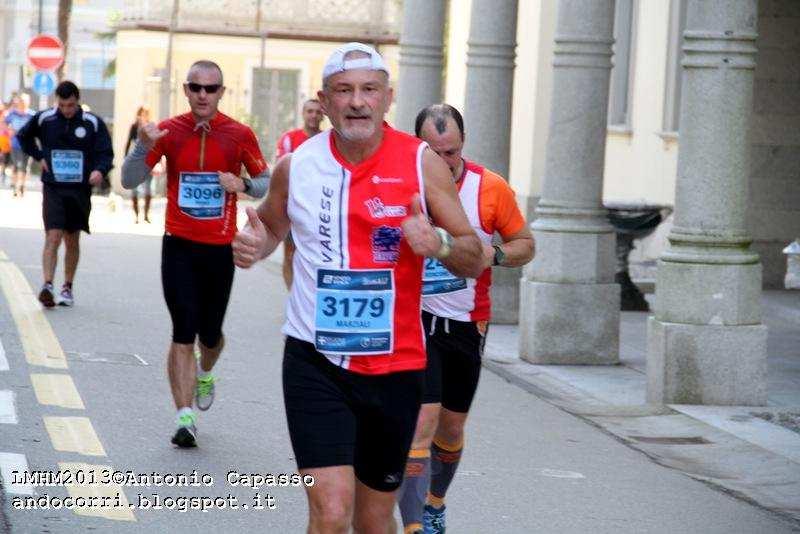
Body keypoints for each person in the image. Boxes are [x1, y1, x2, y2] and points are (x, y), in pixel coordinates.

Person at [233, 42, 484, 533]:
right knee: (329, 511)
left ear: (387, 98)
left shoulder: (422, 164)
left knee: (373, 521)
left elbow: (473, 257)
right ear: (324, 102)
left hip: (395, 365)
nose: (357, 102)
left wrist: (436, 244)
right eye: (343, 91)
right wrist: (252, 247)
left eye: (369, 90)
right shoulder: (296, 166)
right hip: (314, 360)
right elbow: (268, 230)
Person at [396, 104, 535, 534]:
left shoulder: (491, 189)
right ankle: (414, 525)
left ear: (464, 145)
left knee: (450, 430)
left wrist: (488, 254)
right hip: (414, 320)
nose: (444, 162)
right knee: (422, 421)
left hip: (466, 324)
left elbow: (525, 244)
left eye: (451, 152)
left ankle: (435, 503)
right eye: (433, 153)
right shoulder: (401, 181)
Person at [121, 60, 270, 448]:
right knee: (183, 329)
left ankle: (206, 372)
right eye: (195, 87)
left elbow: (266, 183)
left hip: (219, 250)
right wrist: (143, 145)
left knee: (211, 334)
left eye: (211, 88)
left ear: (222, 92)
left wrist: (243, 182)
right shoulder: (168, 131)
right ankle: (184, 417)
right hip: (179, 245)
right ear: (186, 90)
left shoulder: (239, 135)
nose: (203, 94)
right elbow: (128, 180)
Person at [15, 82, 113, 308]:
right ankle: (47, 285)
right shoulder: (45, 119)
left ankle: (67, 287)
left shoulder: (92, 123)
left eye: (70, 105)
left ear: (77, 101)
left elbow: (105, 152)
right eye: (62, 105)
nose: (66, 110)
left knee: (72, 238)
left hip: (79, 189)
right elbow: (23, 136)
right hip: (53, 187)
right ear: (56, 101)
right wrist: (40, 156)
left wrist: (99, 170)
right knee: (53, 235)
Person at [275, 98, 324, 288]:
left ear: (323, 115)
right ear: (303, 113)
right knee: (290, 253)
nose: (313, 116)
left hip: (321, 208)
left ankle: (311, 293)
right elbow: (281, 172)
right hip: (293, 206)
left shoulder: (328, 139)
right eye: (310, 111)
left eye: (317, 112)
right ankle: (292, 294)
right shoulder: (289, 139)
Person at [125, 106, 153, 223]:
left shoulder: (151, 127)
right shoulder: (134, 127)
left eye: (145, 114)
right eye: (141, 114)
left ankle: (146, 215)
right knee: (134, 190)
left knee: (148, 190)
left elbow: (156, 145)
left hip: (148, 163)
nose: (142, 116)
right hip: (135, 164)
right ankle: (136, 216)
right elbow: (128, 143)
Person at [5, 94, 35, 197]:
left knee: (25, 167)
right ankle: (15, 187)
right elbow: (4, 122)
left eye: (24, 101)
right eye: (20, 101)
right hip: (15, 144)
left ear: (28, 103)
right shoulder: (12, 114)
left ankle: (22, 185)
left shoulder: (32, 115)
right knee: (17, 165)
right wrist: (9, 131)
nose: (22, 103)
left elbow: (37, 128)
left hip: (28, 145)